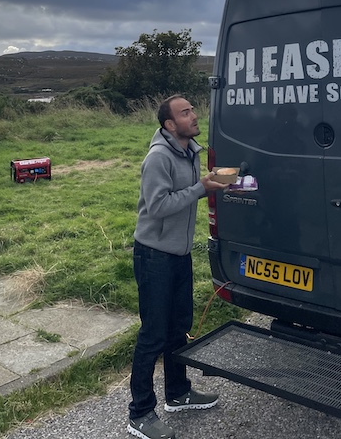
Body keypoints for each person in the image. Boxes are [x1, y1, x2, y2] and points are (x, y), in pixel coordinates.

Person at [127, 94, 230, 439]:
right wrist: (200, 188)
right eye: (185, 113)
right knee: (153, 335)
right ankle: (139, 413)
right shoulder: (158, 157)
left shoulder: (189, 151)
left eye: (192, 110)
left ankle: (178, 393)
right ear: (170, 125)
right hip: (154, 256)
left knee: (178, 328)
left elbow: (184, 192)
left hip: (178, 255)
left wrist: (210, 182)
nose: (194, 115)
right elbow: (157, 207)